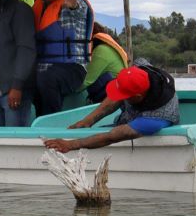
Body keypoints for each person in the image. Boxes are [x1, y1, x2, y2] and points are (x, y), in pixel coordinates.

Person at [43, 63, 179, 153]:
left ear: (137, 96)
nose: (119, 97)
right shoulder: (142, 71)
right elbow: (115, 98)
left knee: (110, 132)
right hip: (125, 119)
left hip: (129, 127)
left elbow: (112, 137)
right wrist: (88, 121)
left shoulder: (155, 119)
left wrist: (70, 145)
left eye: (124, 95)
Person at [31, 0, 94, 116]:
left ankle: (50, 123)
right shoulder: (37, 5)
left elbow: (77, 11)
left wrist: (73, 6)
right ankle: (31, 124)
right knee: (23, 79)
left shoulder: (73, 1)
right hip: (42, 68)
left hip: (72, 68)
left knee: (47, 78)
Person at [78, 23, 128, 103]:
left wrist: (64, 90)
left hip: (112, 99)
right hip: (115, 95)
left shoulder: (101, 50)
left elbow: (86, 81)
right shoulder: (107, 48)